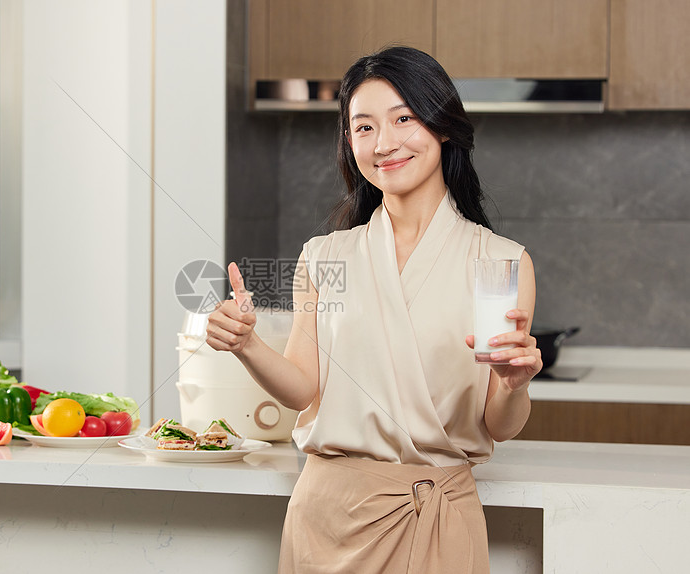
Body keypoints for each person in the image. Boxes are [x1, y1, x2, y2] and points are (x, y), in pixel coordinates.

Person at [206, 46, 541, 574]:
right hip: (328, 521)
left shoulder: (499, 262)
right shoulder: (326, 256)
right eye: (363, 127)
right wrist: (247, 345)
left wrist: (514, 384)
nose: (384, 143)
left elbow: (499, 425)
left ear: (443, 124)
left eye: (403, 119)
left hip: (437, 520)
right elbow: (303, 387)